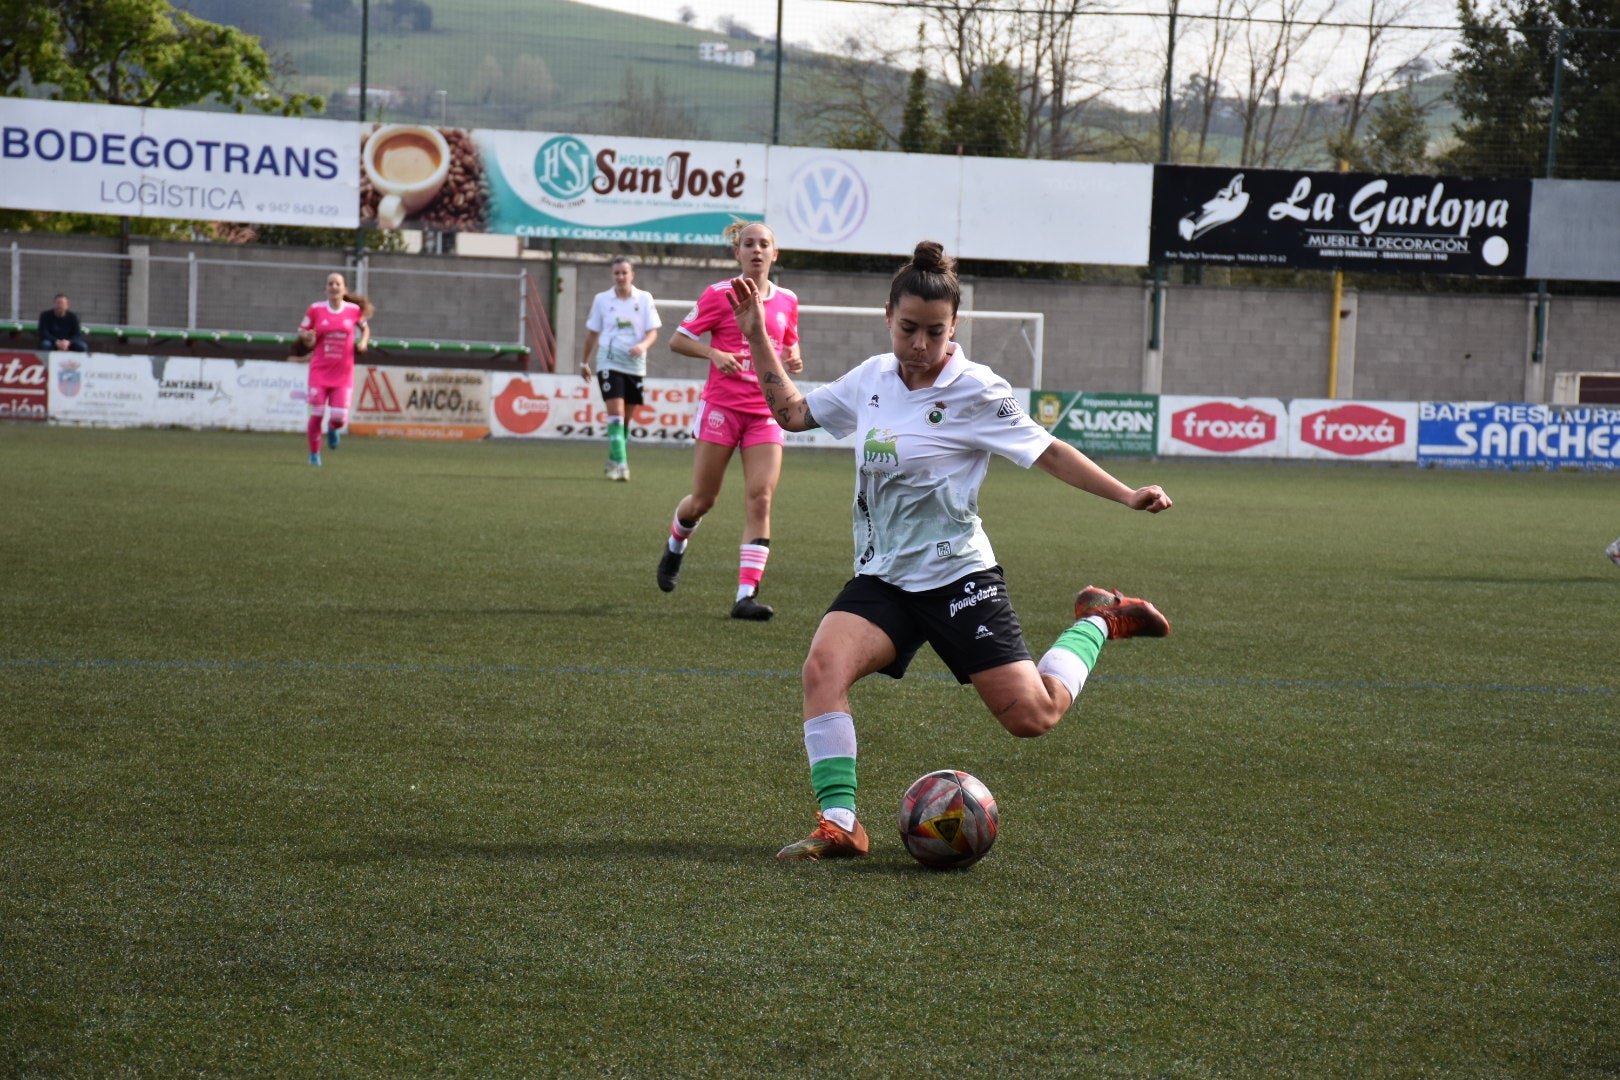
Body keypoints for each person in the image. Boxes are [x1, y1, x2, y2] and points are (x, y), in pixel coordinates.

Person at [723, 240, 1175, 861]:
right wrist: (754, 334)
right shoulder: (871, 379)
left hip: (959, 576)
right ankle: (840, 824)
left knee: (1032, 716)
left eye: (935, 332)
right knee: (822, 670)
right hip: (884, 578)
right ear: (888, 317)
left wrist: (1127, 495)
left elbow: (1049, 451)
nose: (920, 344)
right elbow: (793, 413)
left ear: (954, 328)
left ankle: (1100, 618)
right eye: (908, 329)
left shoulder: (978, 390)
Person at [656, 220, 803, 621]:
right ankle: (676, 542)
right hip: (722, 408)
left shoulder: (788, 299)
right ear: (737, 253)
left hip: (766, 414)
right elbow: (678, 339)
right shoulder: (718, 293)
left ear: (775, 254)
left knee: (761, 496)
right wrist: (713, 354)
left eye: (764, 244)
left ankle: (745, 596)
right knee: (703, 500)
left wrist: (793, 357)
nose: (756, 250)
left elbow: (788, 341)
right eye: (749, 244)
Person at [579, 256, 662, 481]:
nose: (620, 277)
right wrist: (584, 362)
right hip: (609, 360)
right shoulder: (602, 300)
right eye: (616, 273)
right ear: (612, 275)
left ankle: (612, 460)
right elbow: (592, 333)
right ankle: (623, 465)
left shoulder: (644, 299)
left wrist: (643, 345)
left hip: (635, 364)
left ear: (632, 275)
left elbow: (653, 331)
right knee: (615, 413)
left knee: (625, 420)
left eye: (624, 272)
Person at [294, 272, 372, 466]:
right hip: (320, 371)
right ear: (326, 288)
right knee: (317, 412)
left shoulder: (353, 310)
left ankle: (333, 428)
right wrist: (308, 338)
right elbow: (302, 331)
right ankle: (314, 454)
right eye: (330, 284)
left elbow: (365, 328)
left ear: (344, 289)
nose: (334, 286)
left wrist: (363, 342)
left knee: (339, 418)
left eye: (337, 283)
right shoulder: (316, 309)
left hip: (343, 373)